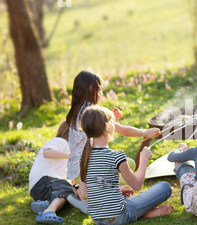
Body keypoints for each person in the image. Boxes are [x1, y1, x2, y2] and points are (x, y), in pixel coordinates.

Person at [65, 70, 161, 201]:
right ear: (92, 89)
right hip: (89, 169)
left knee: (130, 164)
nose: (102, 94)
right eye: (100, 90)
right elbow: (124, 131)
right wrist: (145, 132)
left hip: (78, 170)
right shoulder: (91, 112)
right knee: (129, 175)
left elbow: (93, 133)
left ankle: (84, 191)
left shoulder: (75, 111)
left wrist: (110, 121)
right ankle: (93, 194)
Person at [78, 105, 173, 225]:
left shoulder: (84, 157)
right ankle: (144, 213)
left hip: (98, 220)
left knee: (124, 190)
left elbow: (84, 194)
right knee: (164, 187)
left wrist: (118, 190)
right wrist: (144, 160)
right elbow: (137, 185)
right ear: (108, 126)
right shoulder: (116, 156)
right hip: (120, 216)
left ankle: (141, 211)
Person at [29, 121, 76, 224]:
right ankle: (49, 212)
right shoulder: (59, 141)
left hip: (42, 190)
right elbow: (48, 152)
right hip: (44, 180)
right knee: (66, 189)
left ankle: (45, 204)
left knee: (71, 195)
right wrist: (72, 155)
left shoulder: (67, 151)